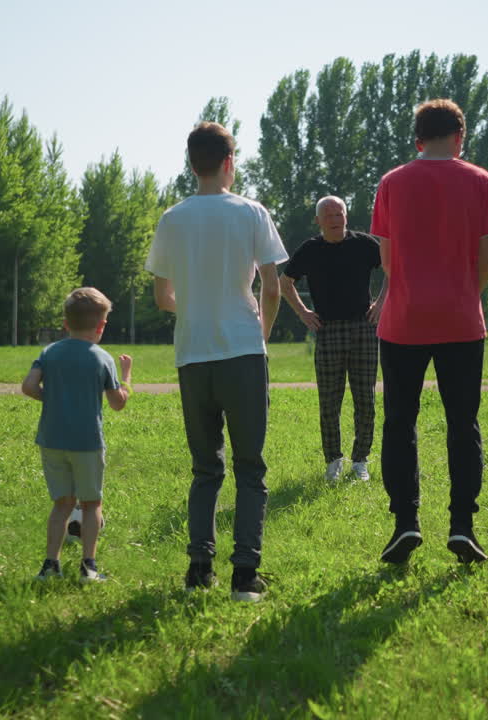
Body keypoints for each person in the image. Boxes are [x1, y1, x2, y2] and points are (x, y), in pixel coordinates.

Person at [146, 121, 288, 602]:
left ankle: (198, 569)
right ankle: (245, 576)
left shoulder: (172, 218)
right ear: (230, 162)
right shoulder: (252, 213)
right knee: (250, 467)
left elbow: (163, 296)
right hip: (243, 351)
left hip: (193, 355)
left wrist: (198, 303)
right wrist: (260, 332)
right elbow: (271, 288)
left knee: (206, 468)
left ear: (192, 164)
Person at [370, 99, 488, 565]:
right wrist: (467, 294)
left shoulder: (391, 183)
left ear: (418, 138)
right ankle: (462, 527)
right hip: (461, 321)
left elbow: (387, 261)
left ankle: (405, 522)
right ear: (460, 136)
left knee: (399, 423)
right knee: (462, 424)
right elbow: (486, 258)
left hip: (404, 320)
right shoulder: (481, 180)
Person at [21, 287, 132, 582]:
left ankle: (50, 565)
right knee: (92, 503)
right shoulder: (103, 359)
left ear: (66, 323)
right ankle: (89, 566)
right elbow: (117, 403)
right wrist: (127, 378)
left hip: (52, 440)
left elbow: (29, 387)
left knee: (62, 504)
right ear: (101, 325)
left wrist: (53, 398)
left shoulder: (49, 352)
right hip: (87, 443)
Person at [280, 196, 384, 483]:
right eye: (328, 215)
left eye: (339, 213)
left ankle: (360, 461)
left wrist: (382, 303)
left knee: (365, 399)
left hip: (364, 327)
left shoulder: (364, 244)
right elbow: (284, 282)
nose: (335, 219)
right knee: (329, 402)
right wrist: (303, 313)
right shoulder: (310, 250)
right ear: (318, 221)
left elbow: (393, 268)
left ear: (346, 217)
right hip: (327, 330)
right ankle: (333, 461)